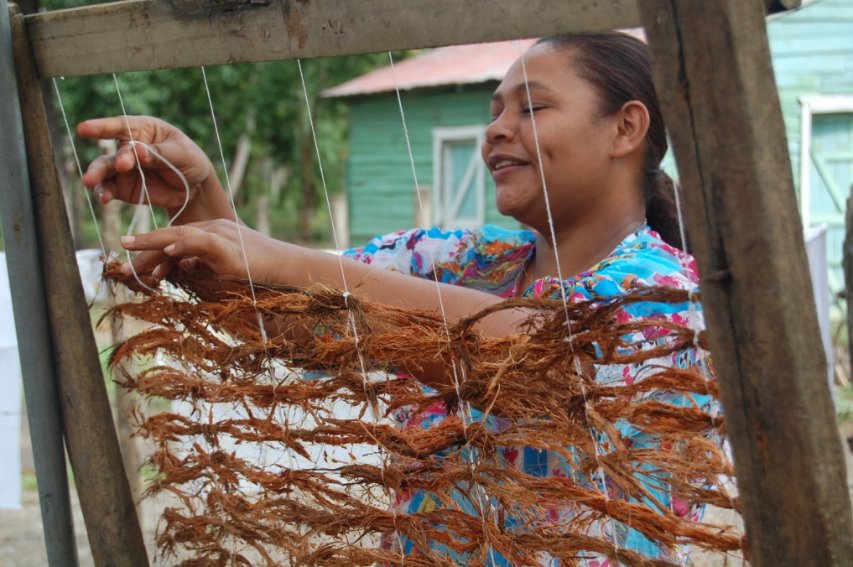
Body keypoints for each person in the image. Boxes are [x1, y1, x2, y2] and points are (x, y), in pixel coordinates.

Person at [78, 32, 715, 564]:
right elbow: (287, 309)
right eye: (495, 112)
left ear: (625, 128)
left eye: (531, 109)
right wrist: (203, 203)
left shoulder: (663, 292)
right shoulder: (468, 261)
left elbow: (529, 357)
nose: (497, 129)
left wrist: (288, 259)